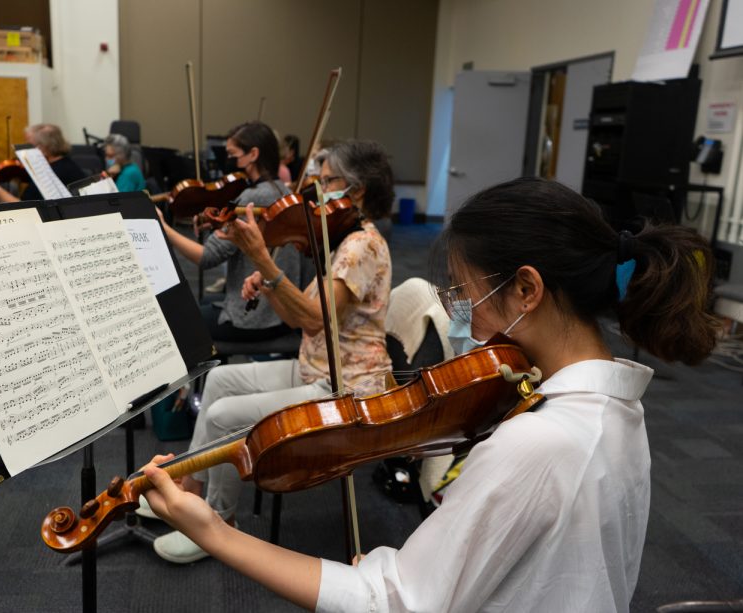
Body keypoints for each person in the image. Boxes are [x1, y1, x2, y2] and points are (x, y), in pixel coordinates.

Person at [140, 177, 719, 611]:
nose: (458, 312)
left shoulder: (541, 441)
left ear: (526, 290)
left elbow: (391, 601)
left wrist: (211, 531)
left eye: (464, 293)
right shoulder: (617, 407)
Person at [142, 139, 395, 566]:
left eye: (326, 180)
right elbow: (300, 318)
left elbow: (315, 319)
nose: (317, 189)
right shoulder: (341, 240)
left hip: (347, 386)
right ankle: (191, 491)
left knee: (224, 417)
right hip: (314, 367)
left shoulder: (363, 247)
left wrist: (264, 259)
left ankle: (217, 524)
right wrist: (268, 282)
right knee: (220, 379)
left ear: (356, 191)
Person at [156, 121, 301, 342]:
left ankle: (212, 373)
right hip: (278, 311)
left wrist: (164, 228)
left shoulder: (254, 198)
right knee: (204, 304)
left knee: (179, 321)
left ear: (253, 154)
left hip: (255, 313)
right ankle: (214, 371)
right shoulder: (281, 189)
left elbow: (207, 257)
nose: (228, 161)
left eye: (232, 154)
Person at [0, 123, 85, 202]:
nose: (25, 150)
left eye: (29, 145)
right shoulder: (67, 163)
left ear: (43, 147)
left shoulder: (50, 173)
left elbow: (22, 208)